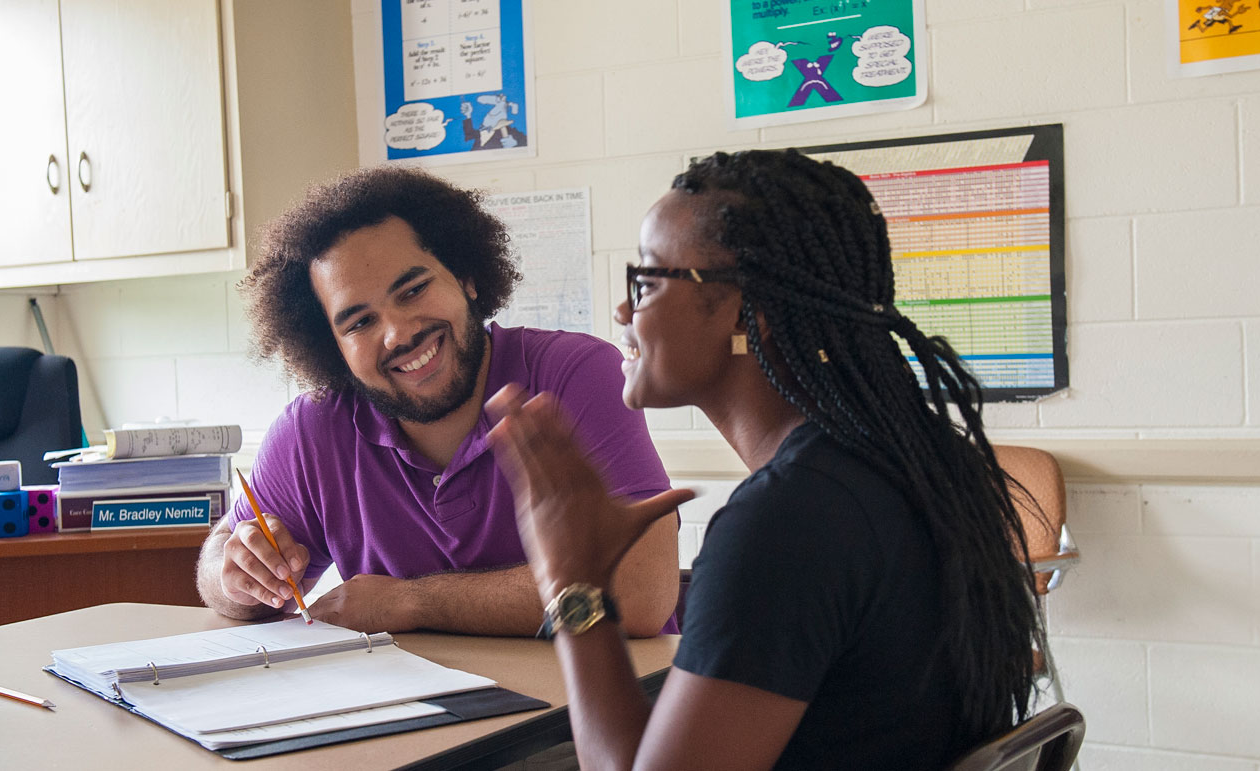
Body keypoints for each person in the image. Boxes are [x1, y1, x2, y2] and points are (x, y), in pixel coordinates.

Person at [487, 149, 1044, 769]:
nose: (623, 311)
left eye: (644, 283)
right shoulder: (907, 463)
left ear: (743, 310)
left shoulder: (789, 522)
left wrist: (573, 581)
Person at [195, 166, 680, 637]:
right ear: (332, 346)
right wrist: (236, 574)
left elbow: (639, 592)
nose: (398, 334)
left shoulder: (575, 374)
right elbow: (219, 563)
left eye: (412, 290)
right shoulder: (312, 431)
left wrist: (411, 601)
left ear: (466, 277)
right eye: (359, 323)